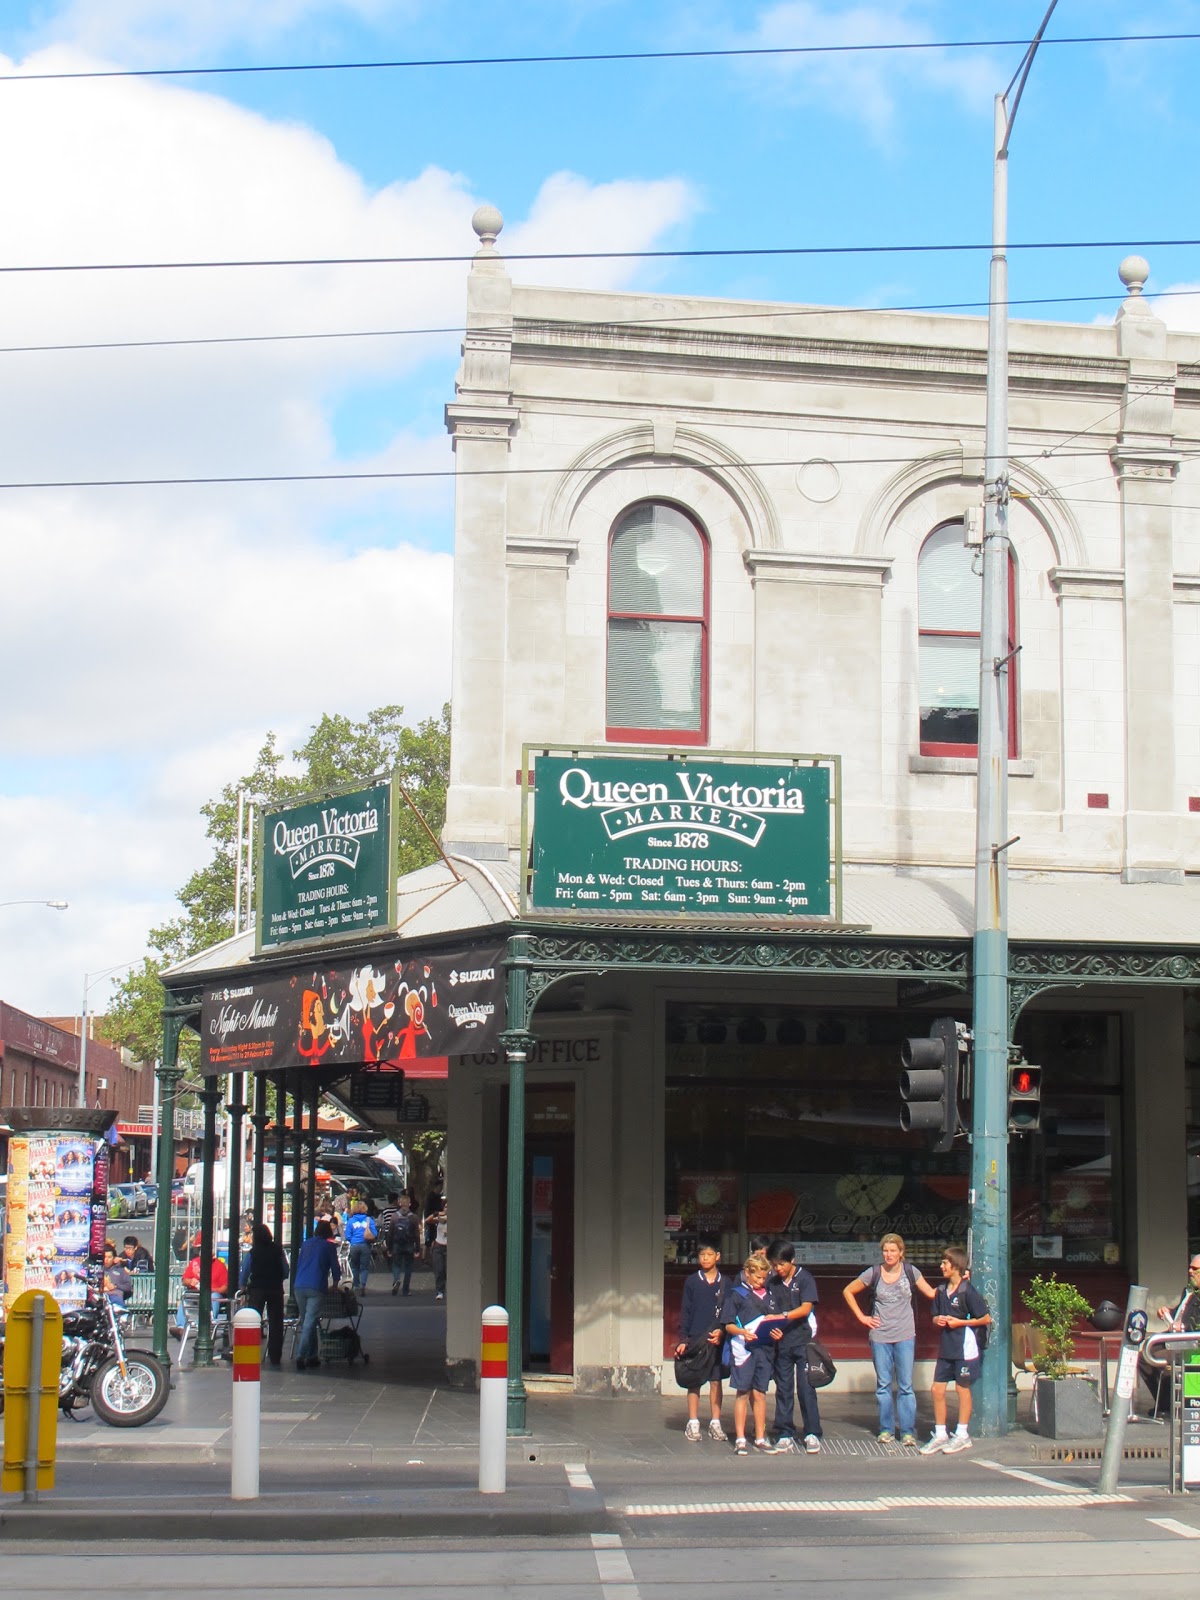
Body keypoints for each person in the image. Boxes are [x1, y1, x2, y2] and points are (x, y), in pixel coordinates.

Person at [843, 1233, 936, 1446]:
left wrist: (958, 1282)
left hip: (905, 1334)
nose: (889, 1254)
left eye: (893, 1250)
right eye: (886, 1250)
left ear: (901, 1253)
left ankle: (908, 1431)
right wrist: (862, 1317)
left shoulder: (911, 1271)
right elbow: (848, 1290)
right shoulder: (874, 1272)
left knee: (905, 1385)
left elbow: (931, 1293)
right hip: (880, 1335)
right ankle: (886, 1429)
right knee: (883, 1385)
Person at [919, 1246, 991, 1455]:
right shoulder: (941, 1291)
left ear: (956, 1266)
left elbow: (985, 1318)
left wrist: (959, 1323)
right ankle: (941, 1434)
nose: (941, 1266)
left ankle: (962, 1434)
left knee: (962, 1389)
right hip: (946, 1348)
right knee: (937, 1389)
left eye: (945, 1263)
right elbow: (934, 1314)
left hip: (965, 1348)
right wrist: (937, 1319)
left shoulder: (967, 1291)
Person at [723, 1254, 785, 1455]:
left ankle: (760, 1436)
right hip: (744, 1350)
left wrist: (777, 1331)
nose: (762, 1281)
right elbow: (728, 1325)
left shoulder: (770, 1295)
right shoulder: (736, 1294)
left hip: (764, 1350)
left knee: (760, 1393)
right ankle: (740, 1438)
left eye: (764, 1277)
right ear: (747, 1274)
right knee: (743, 1393)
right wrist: (743, 1333)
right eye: (758, 1277)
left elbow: (777, 1319)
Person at [769, 1242, 822, 1454]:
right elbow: (769, 1311)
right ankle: (784, 1432)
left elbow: (806, 1308)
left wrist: (783, 1317)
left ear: (792, 1260)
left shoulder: (805, 1278)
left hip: (802, 1340)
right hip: (782, 1343)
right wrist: (774, 1328)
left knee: (806, 1388)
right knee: (783, 1388)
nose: (778, 1269)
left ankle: (812, 1432)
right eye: (774, 1265)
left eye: (781, 1264)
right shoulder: (772, 1283)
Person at [674, 1238, 727, 1442]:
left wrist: (721, 1331)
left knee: (715, 1381)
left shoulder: (725, 1283)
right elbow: (685, 1311)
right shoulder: (692, 1281)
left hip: (715, 1339)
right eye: (702, 1255)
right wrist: (683, 1339)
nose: (705, 1258)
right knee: (694, 1381)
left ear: (718, 1256)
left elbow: (729, 1313)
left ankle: (715, 1422)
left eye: (709, 1254)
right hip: (696, 1338)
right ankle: (693, 1422)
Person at [239, 1222, 290, 1369]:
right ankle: (275, 1355)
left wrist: (243, 1286)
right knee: (276, 1323)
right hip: (275, 1288)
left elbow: (245, 1271)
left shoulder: (253, 1252)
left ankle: (252, 1353)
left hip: (257, 1289)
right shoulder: (277, 1250)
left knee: (253, 1321)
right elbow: (285, 1270)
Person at [293, 1218, 340, 1370]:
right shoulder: (329, 1246)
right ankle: (301, 1355)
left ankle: (312, 1355)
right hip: (316, 1286)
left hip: (299, 1286)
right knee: (309, 1322)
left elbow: (299, 1263)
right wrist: (335, 1284)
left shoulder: (306, 1244)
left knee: (308, 1321)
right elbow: (335, 1267)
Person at [387, 1193, 421, 1297]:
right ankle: (406, 1290)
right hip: (409, 1245)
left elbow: (390, 1233)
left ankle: (397, 1279)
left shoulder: (394, 1216)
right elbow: (416, 1235)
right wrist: (417, 1249)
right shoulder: (414, 1217)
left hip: (397, 1244)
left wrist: (389, 1247)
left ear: (400, 1203)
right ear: (409, 1204)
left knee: (396, 1264)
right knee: (408, 1267)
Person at [343, 1197, 378, 1296]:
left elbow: (348, 1236)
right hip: (365, 1245)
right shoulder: (369, 1220)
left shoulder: (351, 1221)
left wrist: (352, 1239)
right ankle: (363, 1285)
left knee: (354, 1266)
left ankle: (356, 1285)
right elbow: (374, 1233)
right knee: (364, 1267)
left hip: (354, 1245)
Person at [429, 1199, 447, 1300]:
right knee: (439, 1269)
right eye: (445, 1207)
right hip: (439, 1245)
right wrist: (436, 1213)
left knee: (446, 1270)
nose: (447, 1209)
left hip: (448, 1246)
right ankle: (440, 1291)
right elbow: (428, 1220)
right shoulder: (440, 1218)